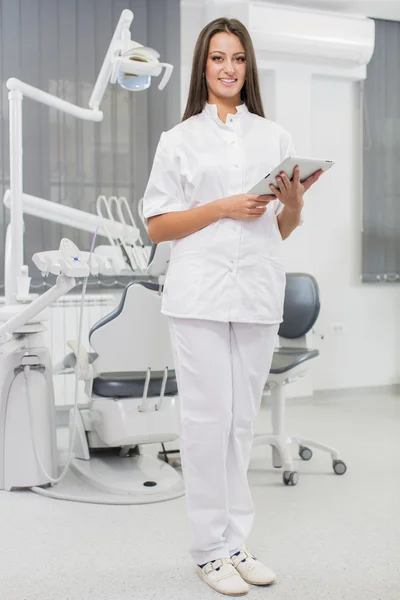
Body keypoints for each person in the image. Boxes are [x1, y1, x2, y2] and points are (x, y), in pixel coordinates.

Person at [143, 17, 323, 597]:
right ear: (203, 66)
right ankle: (207, 550)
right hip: (198, 295)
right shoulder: (179, 140)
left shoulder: (274, 137)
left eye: (238, 59)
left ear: (248, 68)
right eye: (218, 58)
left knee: (241, 423)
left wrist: (292, 204)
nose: (228, 68)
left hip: (256, 296)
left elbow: (283, 228)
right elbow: (158, 226)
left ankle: (235, 541)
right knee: (204, 423)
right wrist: (221, 206)